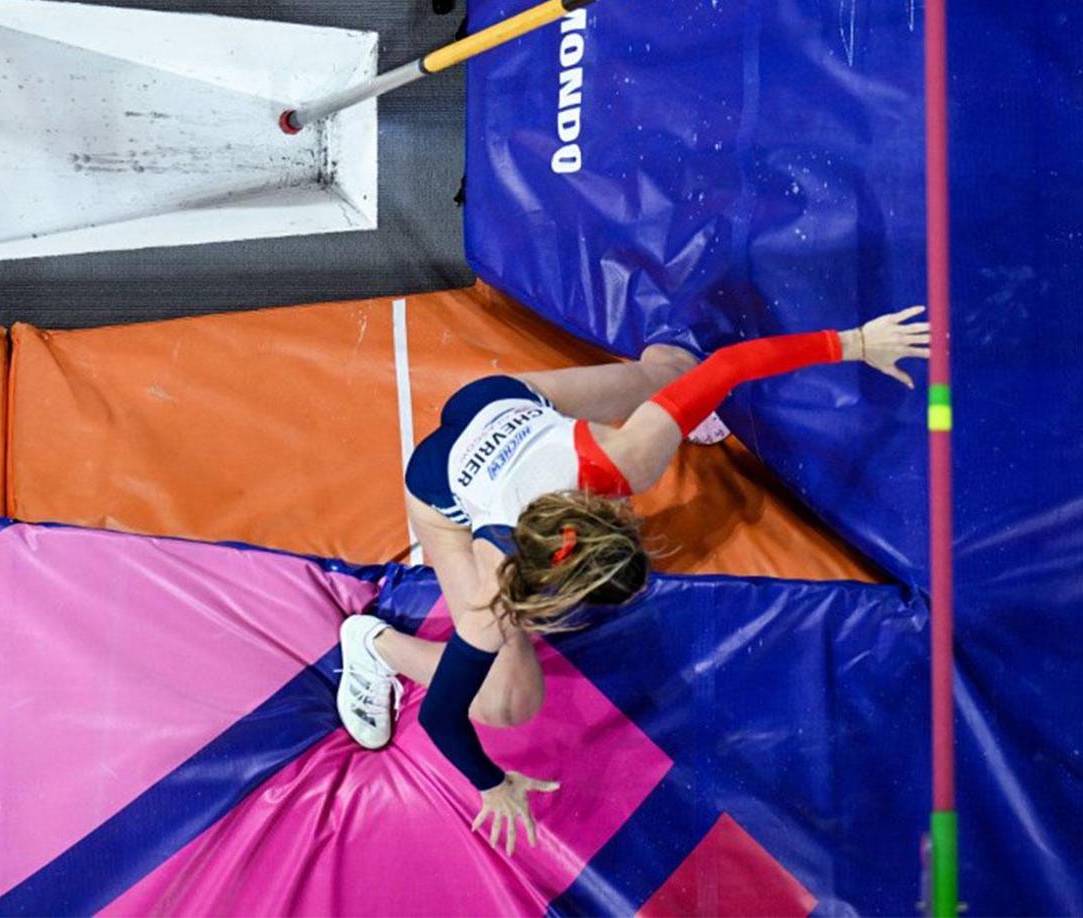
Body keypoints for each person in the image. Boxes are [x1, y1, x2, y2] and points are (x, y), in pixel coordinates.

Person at [336, 307, 929, 855]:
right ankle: (370, 644)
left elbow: (726, 367)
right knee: (507, 700)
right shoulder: (500, 590)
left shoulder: (627, 456)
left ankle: (662, 377)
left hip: (505, 405)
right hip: (444, 492)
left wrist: (856, 342)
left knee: (676, 370)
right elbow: (445, 714)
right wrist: (491, 783)